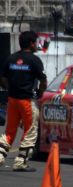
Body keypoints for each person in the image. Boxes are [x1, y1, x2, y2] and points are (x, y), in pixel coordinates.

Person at [0, 31, 47, 172]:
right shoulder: (34, 60)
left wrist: (10, 88)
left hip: (13, 100)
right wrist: (40, 92)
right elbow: (43, 80)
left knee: (9, 131)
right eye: (36, 42)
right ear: (32, 43)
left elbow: (2, 77)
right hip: (27, 100)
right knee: (30, 131)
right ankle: (21, 162)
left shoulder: (11, 58)